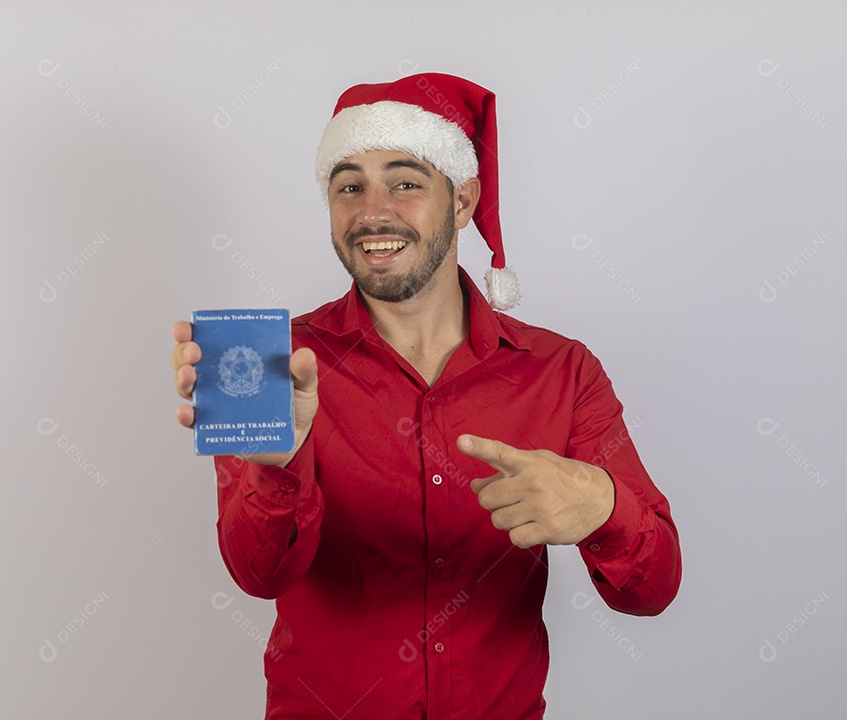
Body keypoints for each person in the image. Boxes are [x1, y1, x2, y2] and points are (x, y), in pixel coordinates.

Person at [172, 73, 681, 720]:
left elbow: (653, 589)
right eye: (348, 185)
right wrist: (277, 468)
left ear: (463, 201)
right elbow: (257, 576)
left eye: (405, 182)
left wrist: (607, 510)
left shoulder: (560, 372)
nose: (371, 211)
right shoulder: (273, 364)